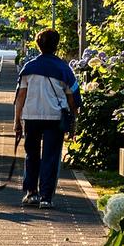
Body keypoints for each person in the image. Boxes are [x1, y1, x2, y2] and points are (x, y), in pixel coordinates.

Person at [13, 29, 80, 209]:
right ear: (56, 45)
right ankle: (46, 197)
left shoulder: (29, 68)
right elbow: (72, 98)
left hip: (31, 116)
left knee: (31, 155)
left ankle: (31, 193)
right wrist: (74, 120)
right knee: (51, 157)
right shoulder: (64, 69)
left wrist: (17, 121)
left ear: (38, 45)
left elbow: (20, 96)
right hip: (55, 118)